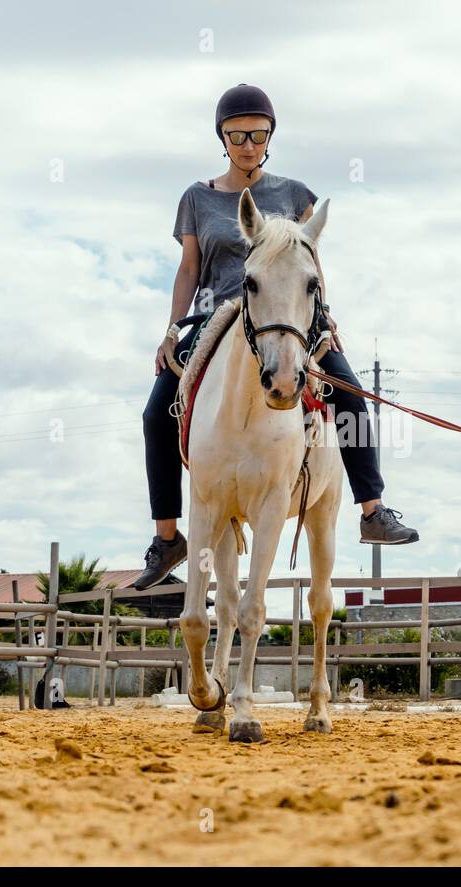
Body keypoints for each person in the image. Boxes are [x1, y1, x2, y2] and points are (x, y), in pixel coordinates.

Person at [131, 83, 419, 590]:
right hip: (216, 318)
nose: (247, 143)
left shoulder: (293, 194)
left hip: (287, 319)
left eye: (257, 134)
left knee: (350, 395)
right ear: (222, 137)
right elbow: (188, 269)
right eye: (236, 134)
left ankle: (372, 509)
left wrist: (325, 317)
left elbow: (312, 265)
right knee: (156, 413)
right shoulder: (196, 198)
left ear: (270, 137)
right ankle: (167, 536)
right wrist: (172, 329)